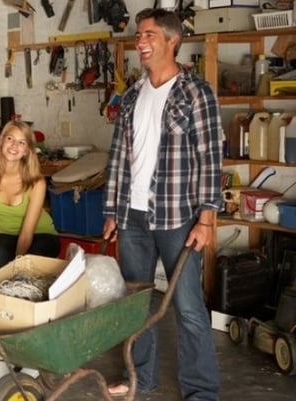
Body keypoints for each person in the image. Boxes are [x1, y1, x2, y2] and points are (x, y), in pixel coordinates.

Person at [101, 8, 221, 401]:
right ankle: (140, 378)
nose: (140, 42)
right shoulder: (134, 93)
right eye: (138, 35)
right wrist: (111, 211)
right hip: (133, 216)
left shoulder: (195, 93)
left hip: (177, 219)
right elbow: (119, 155)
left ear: (172, 40)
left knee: (188, 309)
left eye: (149, 35)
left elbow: (209, 159)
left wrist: (206, 218)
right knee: (136, 306)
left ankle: (201, 392)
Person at [0, 120, 60, 279]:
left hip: (40, 235)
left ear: (27, 150)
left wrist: (17, 271)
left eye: (21, 142)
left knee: (30, 266)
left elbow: (26, 233)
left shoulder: (36, 182)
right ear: (1, 141)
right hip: (4, 234)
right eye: (10, 138)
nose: (14, 146)